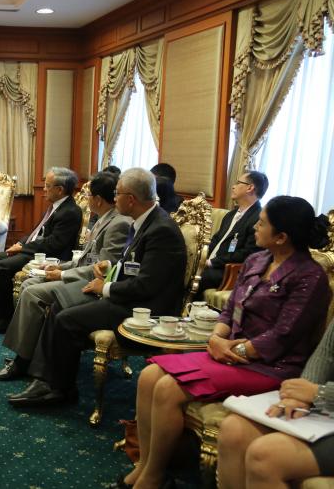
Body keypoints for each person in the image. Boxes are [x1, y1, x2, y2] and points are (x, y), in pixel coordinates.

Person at [120, 196, 331, 489]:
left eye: (262, 223)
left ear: (281, 237)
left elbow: (283, 335)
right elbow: (231, 308)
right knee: (149, 376)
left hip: (270, 366)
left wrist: (234, 350)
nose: (255, 227)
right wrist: (217, 338)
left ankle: (153, 476)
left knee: (168, 387)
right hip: (230, 354)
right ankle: (144, 464)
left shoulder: (310, 276)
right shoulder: (257, 260)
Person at [5, 168, 187, 407]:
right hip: (130, 296)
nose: (114, 198)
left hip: (145, 309)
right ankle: (47, 380)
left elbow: (146, 285)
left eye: (117, 193)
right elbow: (134, 266)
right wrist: (109, 266)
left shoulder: (161, 230)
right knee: (59, 303)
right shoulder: (145, 220)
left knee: (66, 319)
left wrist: (106, 288)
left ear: (131, 199)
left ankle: (59, 389)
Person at [0, 171, 131, 379]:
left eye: (88, 195)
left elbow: (103, 269)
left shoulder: (118, 223)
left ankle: (22, 362)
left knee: (32, 293)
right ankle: (28, 354)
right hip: (81, 274)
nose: (86, 199)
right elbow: (85, 258)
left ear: (98, 199)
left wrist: (63, 275)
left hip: (92, 285)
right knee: (28, 283)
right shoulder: (102, 219)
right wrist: (61, 267)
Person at [217, 319, 334, 489]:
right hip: (325, 407)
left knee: (265, 455)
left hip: (324, 398)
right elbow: (325, 352)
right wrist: (299, 394)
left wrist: (319, 393)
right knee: (234, 430)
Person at [0, 167, 83, 334]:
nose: (44, 189)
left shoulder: (70, 211)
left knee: (1, 267)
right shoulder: (55, 206)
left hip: (48, 255)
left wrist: (23, 247)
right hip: (34, 249)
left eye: (47, 185)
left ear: (59, 189)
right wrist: (20, 243)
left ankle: (4, 320)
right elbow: (36, 232)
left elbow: (55, 244)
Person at [196, 170, 268, 294]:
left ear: (250, 188)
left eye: (238, 183)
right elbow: (216, 239)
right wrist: (201, 257)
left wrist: (211, 262)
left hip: (228, 270)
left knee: (195, 277)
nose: (233, 186)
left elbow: (247, 254)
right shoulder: (231, 215)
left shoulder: (258, 218)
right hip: (212, 264)